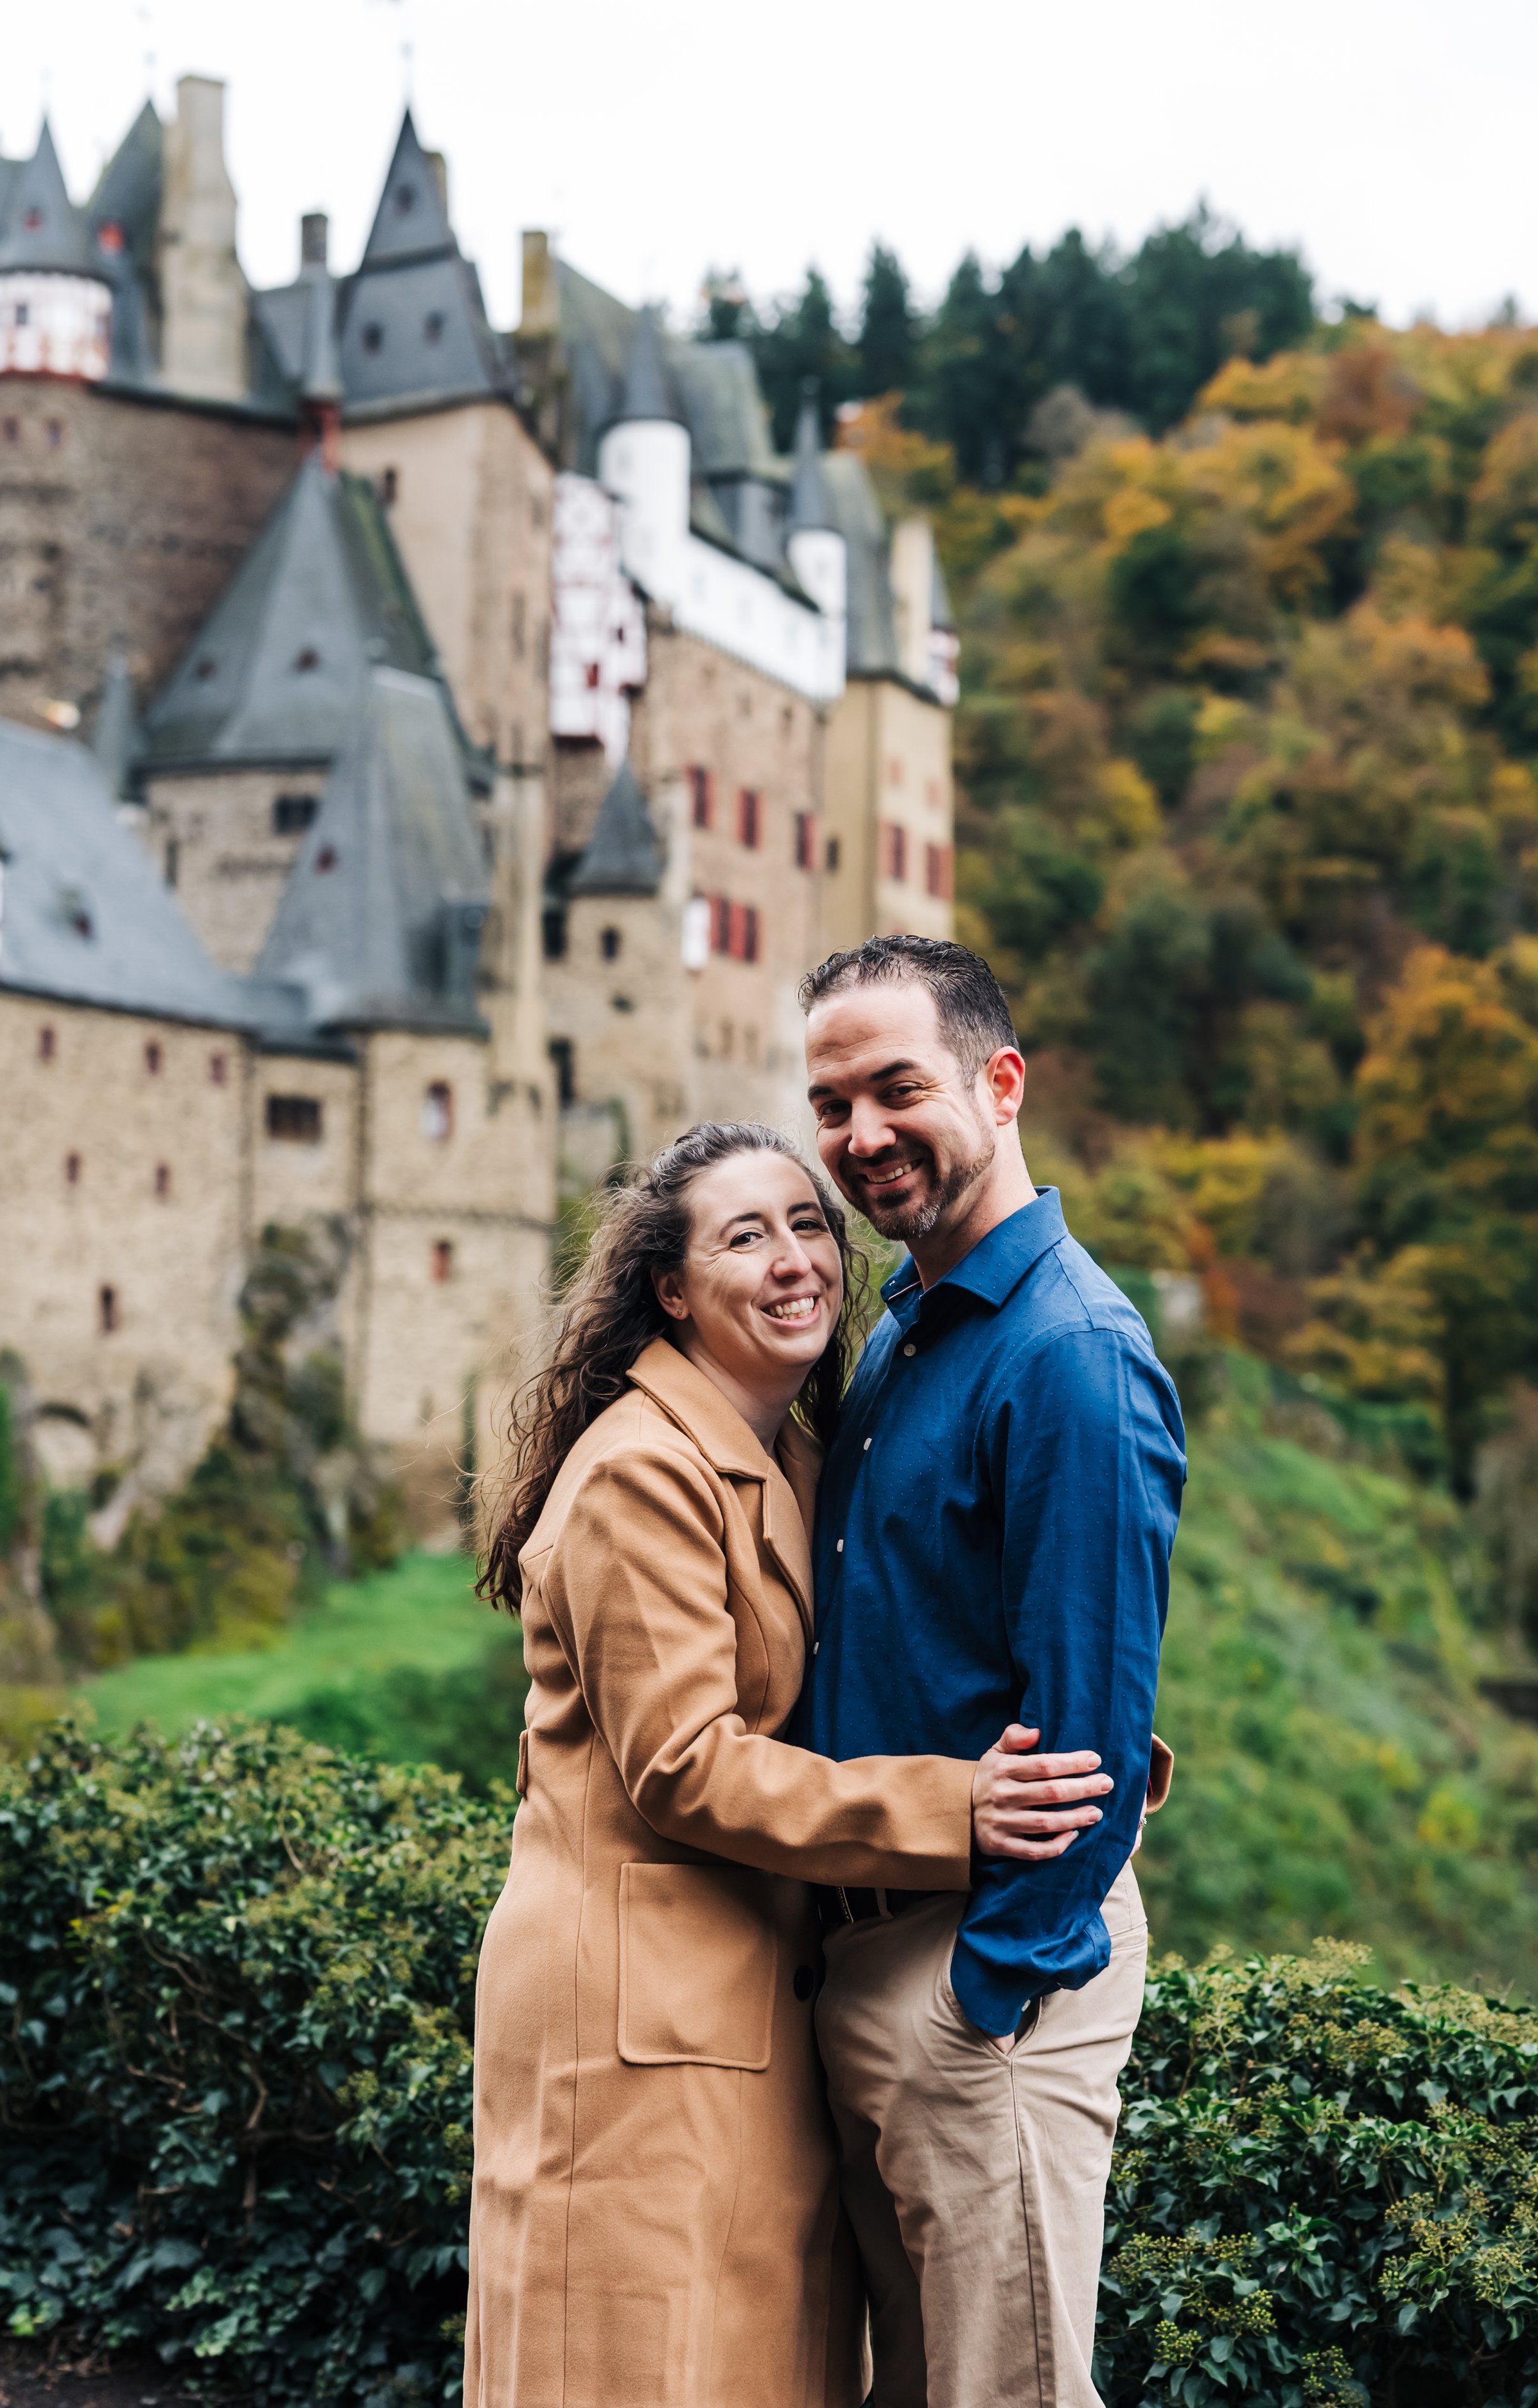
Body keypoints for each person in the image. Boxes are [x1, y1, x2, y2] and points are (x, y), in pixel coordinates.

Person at [464, 1120, 1111, 2408]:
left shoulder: (791, 1455)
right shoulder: (640, 1473)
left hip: (739, 2001)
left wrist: (1085, 1721)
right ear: (670, 1287)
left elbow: (866, 1662)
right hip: (634, 2016)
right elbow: (687, 1768)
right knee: (641, 2369)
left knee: (750, 2365)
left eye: (807, 1225)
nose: (790, 1260)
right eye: (743, 1235)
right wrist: (960, 1808)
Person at [796, 935, 1186, 2408]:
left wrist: (988, 1996)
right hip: (867, 1943)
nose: (860, 1136)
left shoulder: (1069, 1352)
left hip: (985, 1978)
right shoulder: (904, 1332)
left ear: (999, 1082)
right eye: (831, 1104)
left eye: (897, 1088)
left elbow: (1091, 1717)